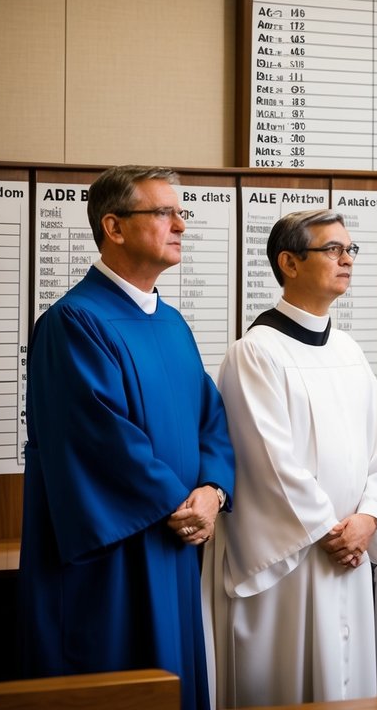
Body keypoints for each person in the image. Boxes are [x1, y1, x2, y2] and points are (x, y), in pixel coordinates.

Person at [18, 165, 234, 710]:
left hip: (176, 538)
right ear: (114, 227)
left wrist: (213, 491)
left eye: (180, 213)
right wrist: (180, 503)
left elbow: (210, 417)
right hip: (114, 554)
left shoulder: (172, 323)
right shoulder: (74, 322)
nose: (180, 225)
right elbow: (98, 439)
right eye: (164, 212)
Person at [212, 210, 377, 707]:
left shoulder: (349, 350)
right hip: (294, 560)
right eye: (332, 249)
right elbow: (268, 461)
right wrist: (330, 532)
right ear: (290, 263)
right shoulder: (255, 352)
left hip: (349, 550)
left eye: (350, 250)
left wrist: (369, 518)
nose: (346, 260)